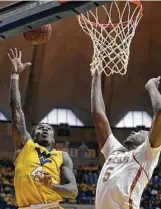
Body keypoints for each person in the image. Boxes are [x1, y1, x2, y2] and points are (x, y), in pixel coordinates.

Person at [8, 48, 78, 209]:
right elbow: (16, 109)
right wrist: (15, 76)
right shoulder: (25, 145)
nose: (45, 129)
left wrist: (52, 186)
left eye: (49, 129)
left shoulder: (63, 157)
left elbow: (73, 191)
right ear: (33, 134)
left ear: (53, 138)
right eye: (40, 128)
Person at [91, 71, 161, 209]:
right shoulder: (114, 151)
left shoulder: (146, 155)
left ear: (147, 140)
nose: (135, 131)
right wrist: (96, 77)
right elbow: (98, 115)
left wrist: (151, 86)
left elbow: (159, 112)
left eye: (141, 131)